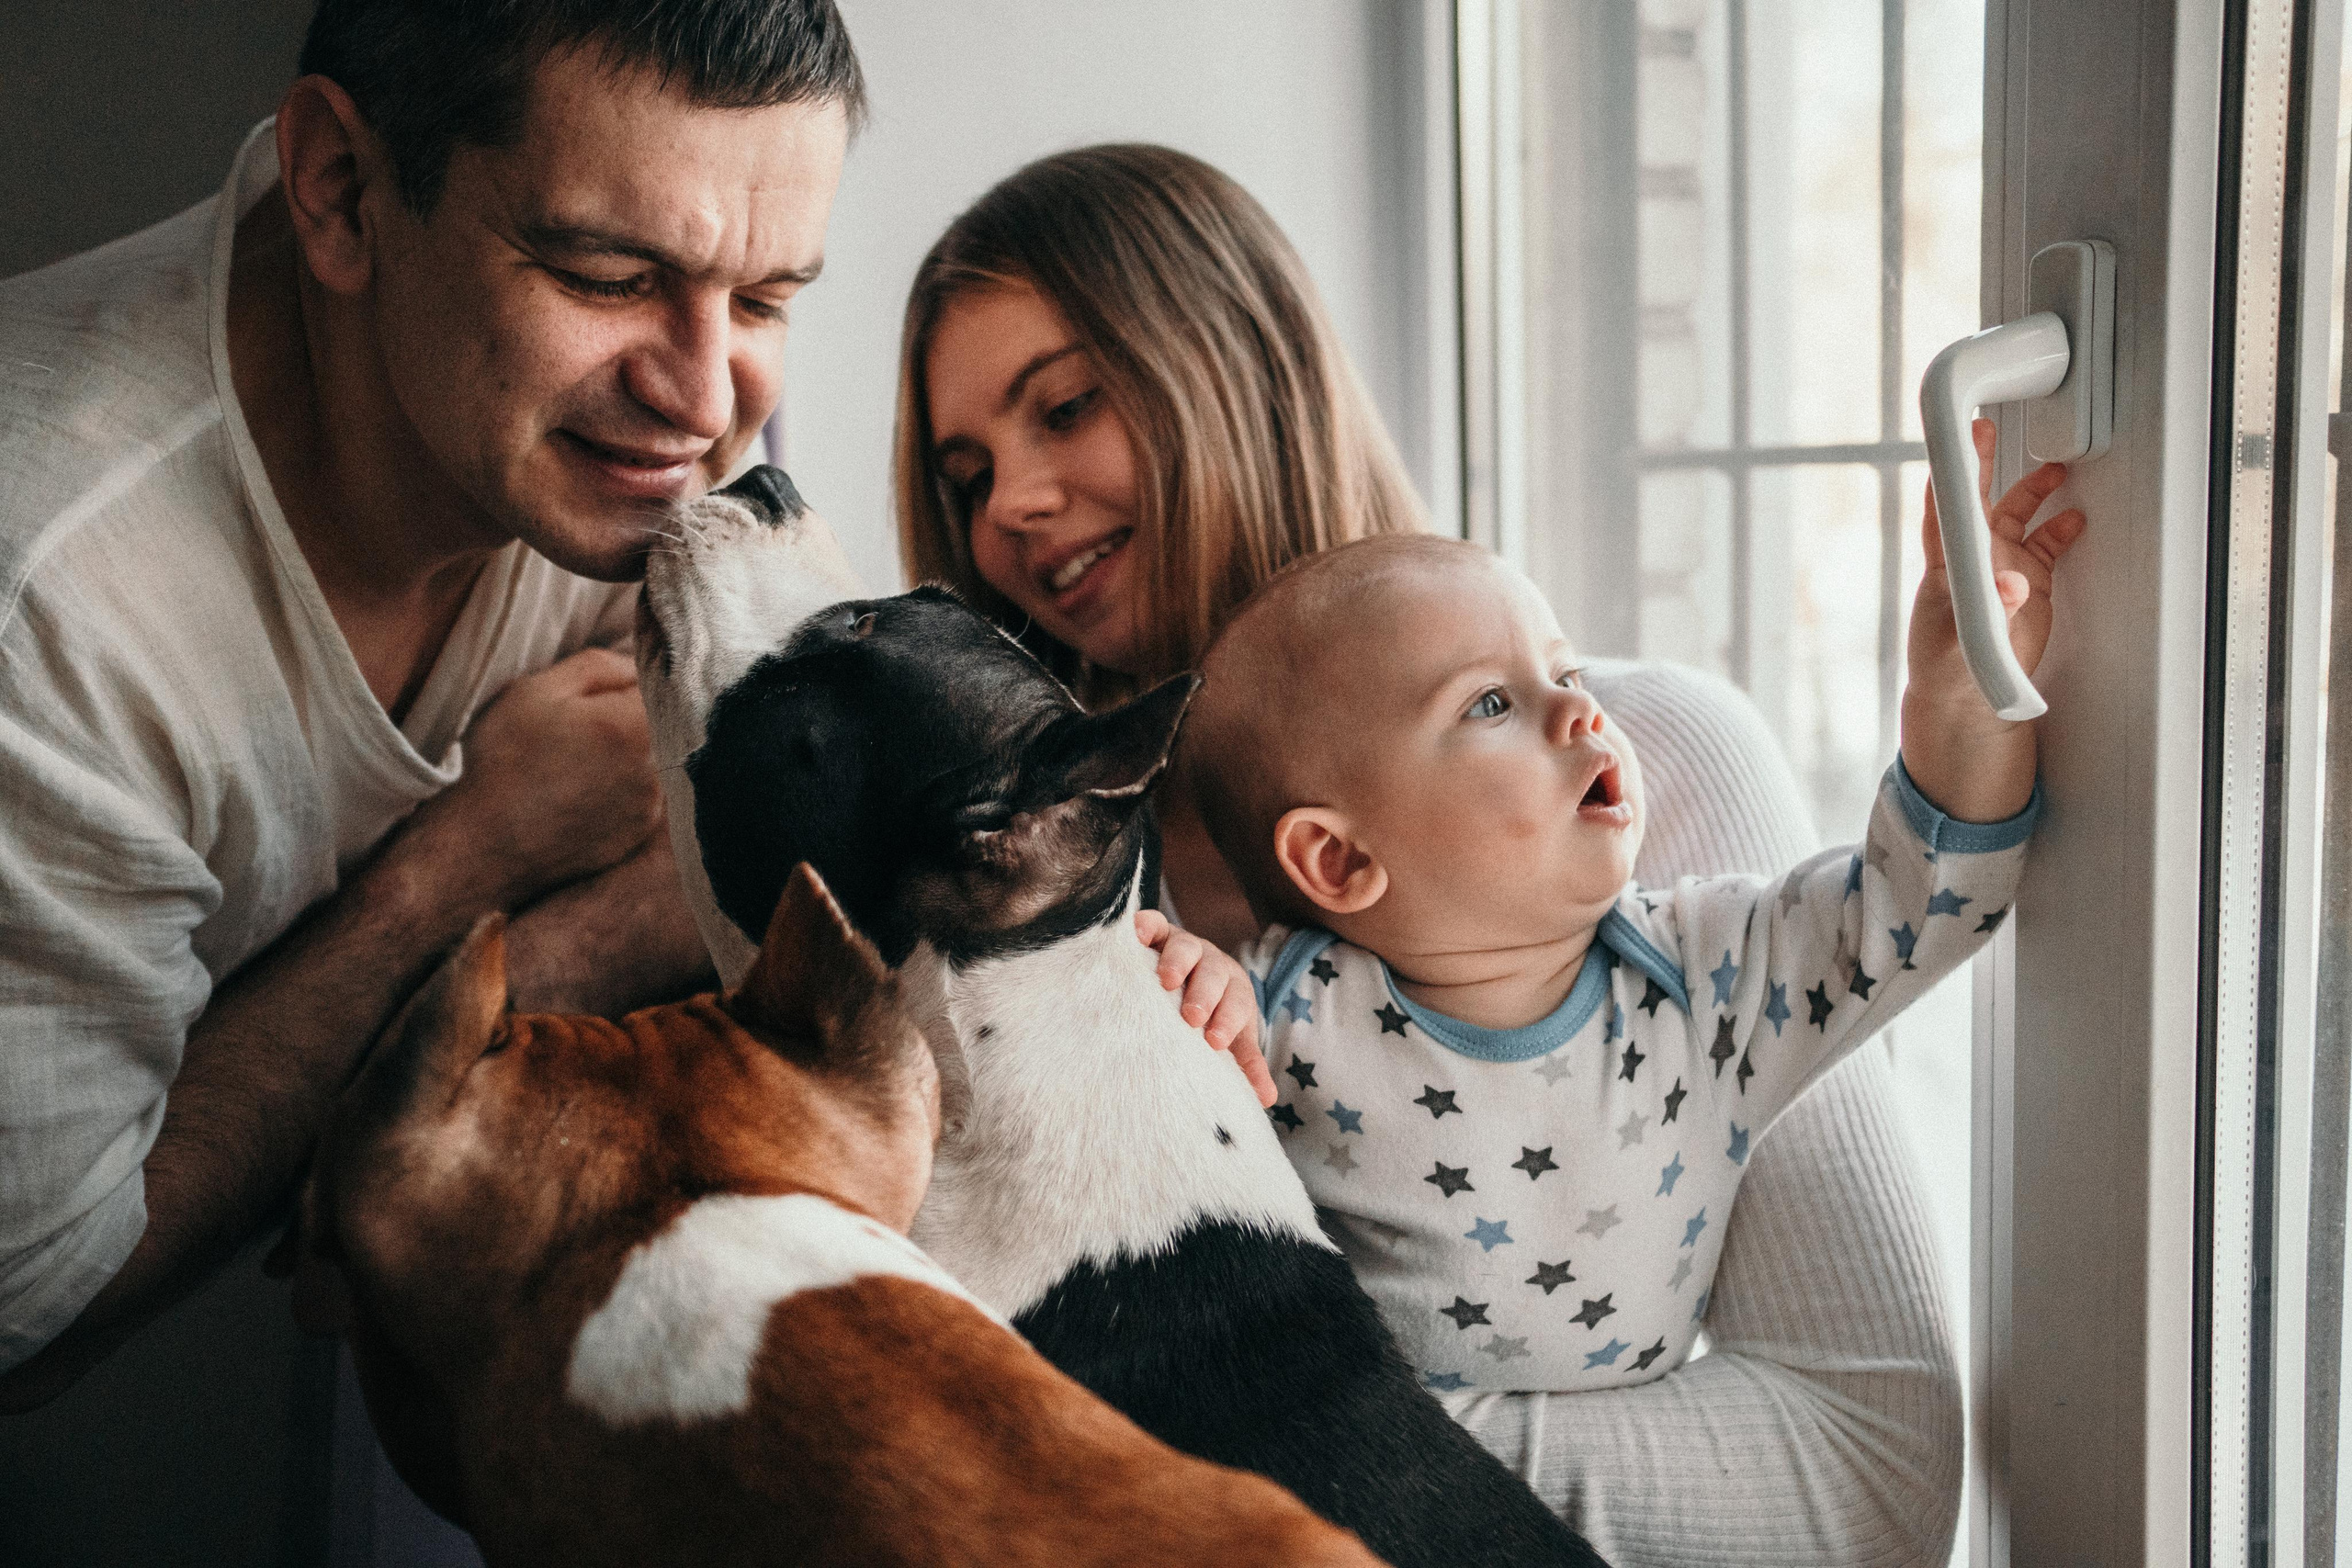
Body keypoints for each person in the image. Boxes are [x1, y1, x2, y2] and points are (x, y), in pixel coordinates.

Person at [899, 141, 1985, 1564]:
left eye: (1067, 406)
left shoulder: (1651, 768)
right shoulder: (1042, 922)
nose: (1011, 510)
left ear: (1240, 363)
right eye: (967, 472)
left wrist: (1270, 1454)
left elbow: (1863, 1469)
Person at [0, 0, 861, 1430]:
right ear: (340, 192)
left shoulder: (630, 413)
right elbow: (32, 1304)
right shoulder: (51, 603)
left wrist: (469, 1023)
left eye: (768, 299)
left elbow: (799, 797)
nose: (708, 402)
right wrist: (455, 870)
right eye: (604, 273)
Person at [1181, 483, 2072, 1395]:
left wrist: (1957, 703)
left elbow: (1922, 900)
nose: (1582, 714)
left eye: (1565, 676)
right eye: (1490, 704)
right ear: (1335, 858)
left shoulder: (1706, 972)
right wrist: (1170, 987)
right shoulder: (1277, 1016)